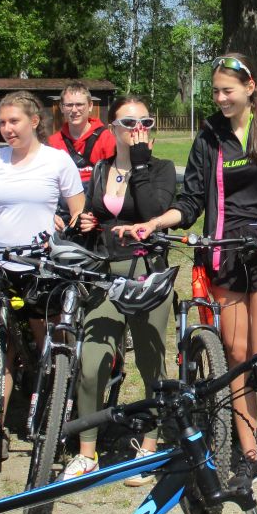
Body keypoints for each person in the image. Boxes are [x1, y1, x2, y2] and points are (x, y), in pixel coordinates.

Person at [117, 53, 257, 491]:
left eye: (228, 90)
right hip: (224, 252)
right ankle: (248, 453)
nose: (221, 98)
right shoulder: (209, 137)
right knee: (236, 355)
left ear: (250, 87)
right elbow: (191, 200)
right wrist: (156, 223)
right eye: (215, 92)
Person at [0, 91, 85, 438]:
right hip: (1, 262)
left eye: (14, 121)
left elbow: (78, 210)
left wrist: (63, 228)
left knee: (47, 342)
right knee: (0, 348)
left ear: (34, 122)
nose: (7, 129)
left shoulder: (57, 161)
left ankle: (55, 413)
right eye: (2, 122)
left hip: (40, 265)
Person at [61, 96, 176, 483]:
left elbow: (152, 211)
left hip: (146, 274)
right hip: (105, 273)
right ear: (112, 128)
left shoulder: (161, 169)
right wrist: (87, 223)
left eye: (146, 122)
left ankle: (149, 445)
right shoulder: (101, 168)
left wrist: (140, 163)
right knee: (92, 360)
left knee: (150, 360)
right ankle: (87, 453)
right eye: (129, 122)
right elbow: (95, 215)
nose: (138, 129)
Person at [48, 81, 116, 183]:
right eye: (69, 105)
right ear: (61, 107)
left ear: (90, 106)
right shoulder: (53, 143)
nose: (74, 110)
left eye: (79, 104)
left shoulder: (107, 139)